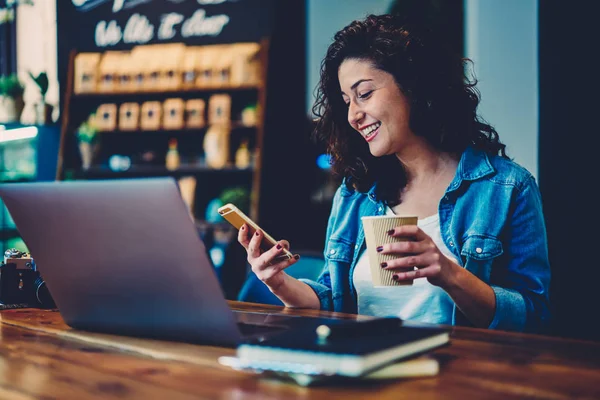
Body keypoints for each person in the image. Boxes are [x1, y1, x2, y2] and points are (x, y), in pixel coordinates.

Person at [237, 14, 551, 333]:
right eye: (346, 101)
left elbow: (533, 317)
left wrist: (448, 273)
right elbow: (334, 299)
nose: (353, 116)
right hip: (366, 370)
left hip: (458, 375)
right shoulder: (356, 192)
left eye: (365, 93)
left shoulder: (508, 188)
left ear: (413, 87)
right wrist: (278, 283)